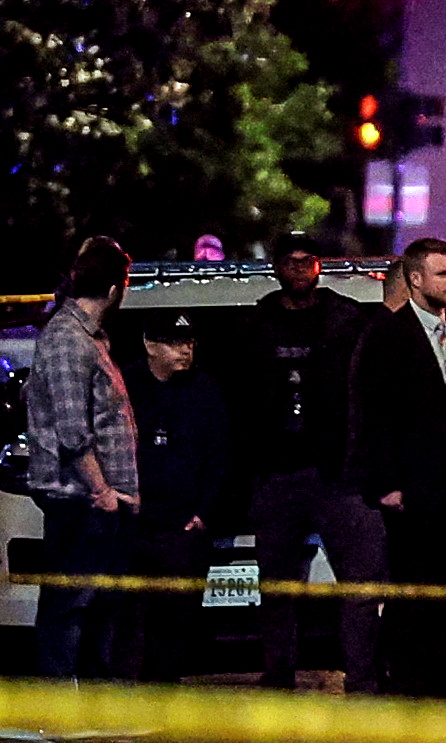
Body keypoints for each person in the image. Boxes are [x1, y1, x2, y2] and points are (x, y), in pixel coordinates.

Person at [241, 233, 387, 692]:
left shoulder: (347, 318)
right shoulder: (258, 322)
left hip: (339, 475)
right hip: (278, 472)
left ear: (320, 267)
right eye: (290, 261)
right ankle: (278, 674)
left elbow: (369, 391)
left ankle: (362, 678)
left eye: (309, 261)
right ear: (276, 268)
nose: (300, 269)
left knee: (359, 586)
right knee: (277, 589)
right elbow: (239, 397)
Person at [349, 238, 446, 698]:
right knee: (415, 586)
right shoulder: (388, 335)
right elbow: (372, 413)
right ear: (415, 279)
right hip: (414, 484)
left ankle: (439, 678)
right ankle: (405, 680)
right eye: (443, 274)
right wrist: (385, 483)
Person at [25, 239, 140, 681]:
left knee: (99, 608)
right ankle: (61, 708)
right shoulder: (67, 340)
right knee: (69, 606)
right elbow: (73, 432)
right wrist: (103, 491)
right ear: (115, 289)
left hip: (102, 501)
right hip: (81, 501)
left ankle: (94, 706)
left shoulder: (89, 338)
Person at [126, 312, 228, 681]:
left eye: (189, 342)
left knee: (176, 624)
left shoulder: (204, 391)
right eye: (175, 342)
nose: (186, 350)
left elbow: (219, 457)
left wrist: (203, 513)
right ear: (150, 345)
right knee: (131, 621)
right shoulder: (126, 386)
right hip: (135, 524)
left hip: (180, 526)